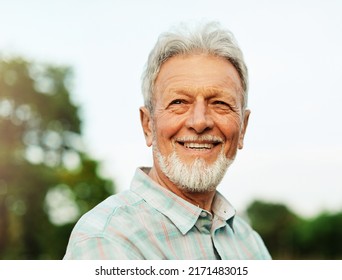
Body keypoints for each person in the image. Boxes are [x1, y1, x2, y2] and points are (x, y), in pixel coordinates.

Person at [63, 21, 271, 260]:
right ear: (148, 125)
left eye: (220, 103)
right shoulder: (107, 240)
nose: (200, 121)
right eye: (179, 102)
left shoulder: (250, 244)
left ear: (242, 128)